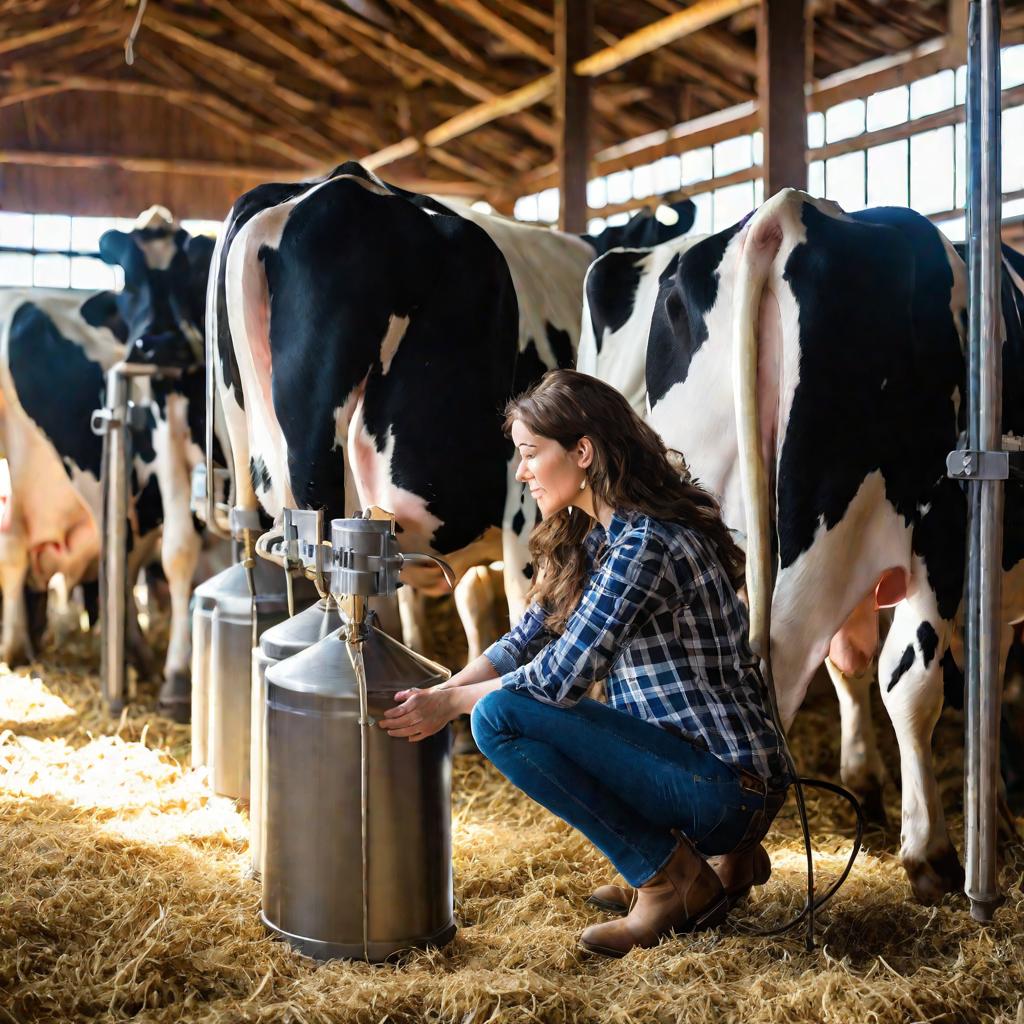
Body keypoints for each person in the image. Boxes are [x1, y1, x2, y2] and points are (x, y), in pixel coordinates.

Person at [379, 369, 790, 958]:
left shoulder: (643, 545)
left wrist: (449, 705)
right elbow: (528, 639)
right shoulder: (600, 536)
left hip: (723, 789)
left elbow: (555, 679)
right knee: (491, 701)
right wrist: (446, 686)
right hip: (715, 778)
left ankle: (666, 878)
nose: (521, 472)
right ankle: (711, 863)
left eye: (529, 454)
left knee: (496, 719)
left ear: (583, 452)